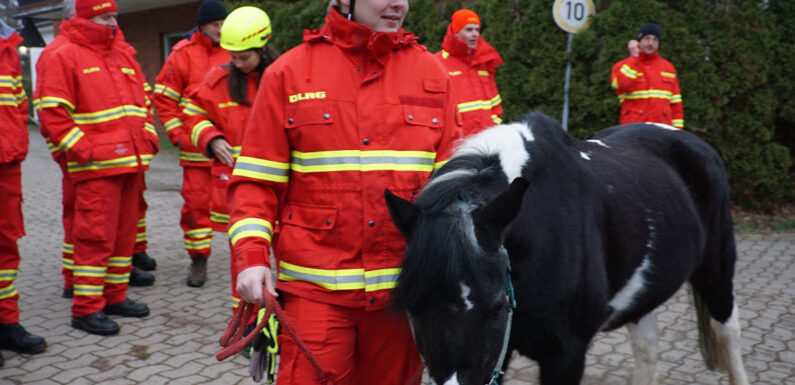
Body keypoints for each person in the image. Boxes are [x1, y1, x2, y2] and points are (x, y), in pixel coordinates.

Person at [229, 0, 462, 383]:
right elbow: (256, 182)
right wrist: (252, 256)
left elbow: (454, 190)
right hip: (315, 298)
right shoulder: (289, 73)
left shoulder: (433, 73)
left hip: (403, 301)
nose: (398, 3)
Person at [37, 0, 158, 336]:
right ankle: (86, 309)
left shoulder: (122, 53)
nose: (112, 22)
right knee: (94, 239)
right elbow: (52, 113)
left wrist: (148, 139)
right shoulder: (62, 54)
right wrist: (85, 151)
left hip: (131, 162)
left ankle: (115, 296)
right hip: (95, 167)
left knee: (123, 237)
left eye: (114, 16)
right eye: (105, 17)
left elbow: (143, 102)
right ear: (84, 18)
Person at [183, 6, 278, 307]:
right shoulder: (218, 80)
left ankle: (290, 319)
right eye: (232, 57)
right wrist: (211, 139)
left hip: (283, 189)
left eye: (244, 57)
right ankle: (248, 323)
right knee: (246, 259)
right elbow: (192, 114)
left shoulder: (285, 77)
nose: (237, 63)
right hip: (240, 188)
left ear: (262, 48)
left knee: (291, 262)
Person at [153, 0, 229, 288]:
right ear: (202, 25)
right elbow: (164, 98)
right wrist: (178, 135)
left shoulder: (236, 49)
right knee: (196, 207)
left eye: (223, 24)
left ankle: (250, 258)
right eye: (214, 25)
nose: (220, 30)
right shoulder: (182, 55)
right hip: (196, 149)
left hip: (232, 149)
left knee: (245, 204)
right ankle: (199, 258)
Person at [0, 18, 47, 367]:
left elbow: (16, 105)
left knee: (6, 246)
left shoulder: (8, 47)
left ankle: (6, 323)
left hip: (7, 163)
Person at [435, 8, 503, 137]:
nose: (475, 34)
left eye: (477, 30)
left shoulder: (483, 63)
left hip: (486, 139)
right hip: (456, 142)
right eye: (469, 29)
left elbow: (495, 104)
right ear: (455, 32)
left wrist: (493, 127)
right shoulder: (438, 63)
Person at [610, 22, 684, 129]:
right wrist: (634, 57)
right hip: (632, 130)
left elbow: (676, 104)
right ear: (639, 41)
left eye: (655, 40)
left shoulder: (668, 68)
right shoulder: (621, 66)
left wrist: (678, 133)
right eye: (647, 38)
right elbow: (622, 85)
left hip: (662, 130)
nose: (651, 43)